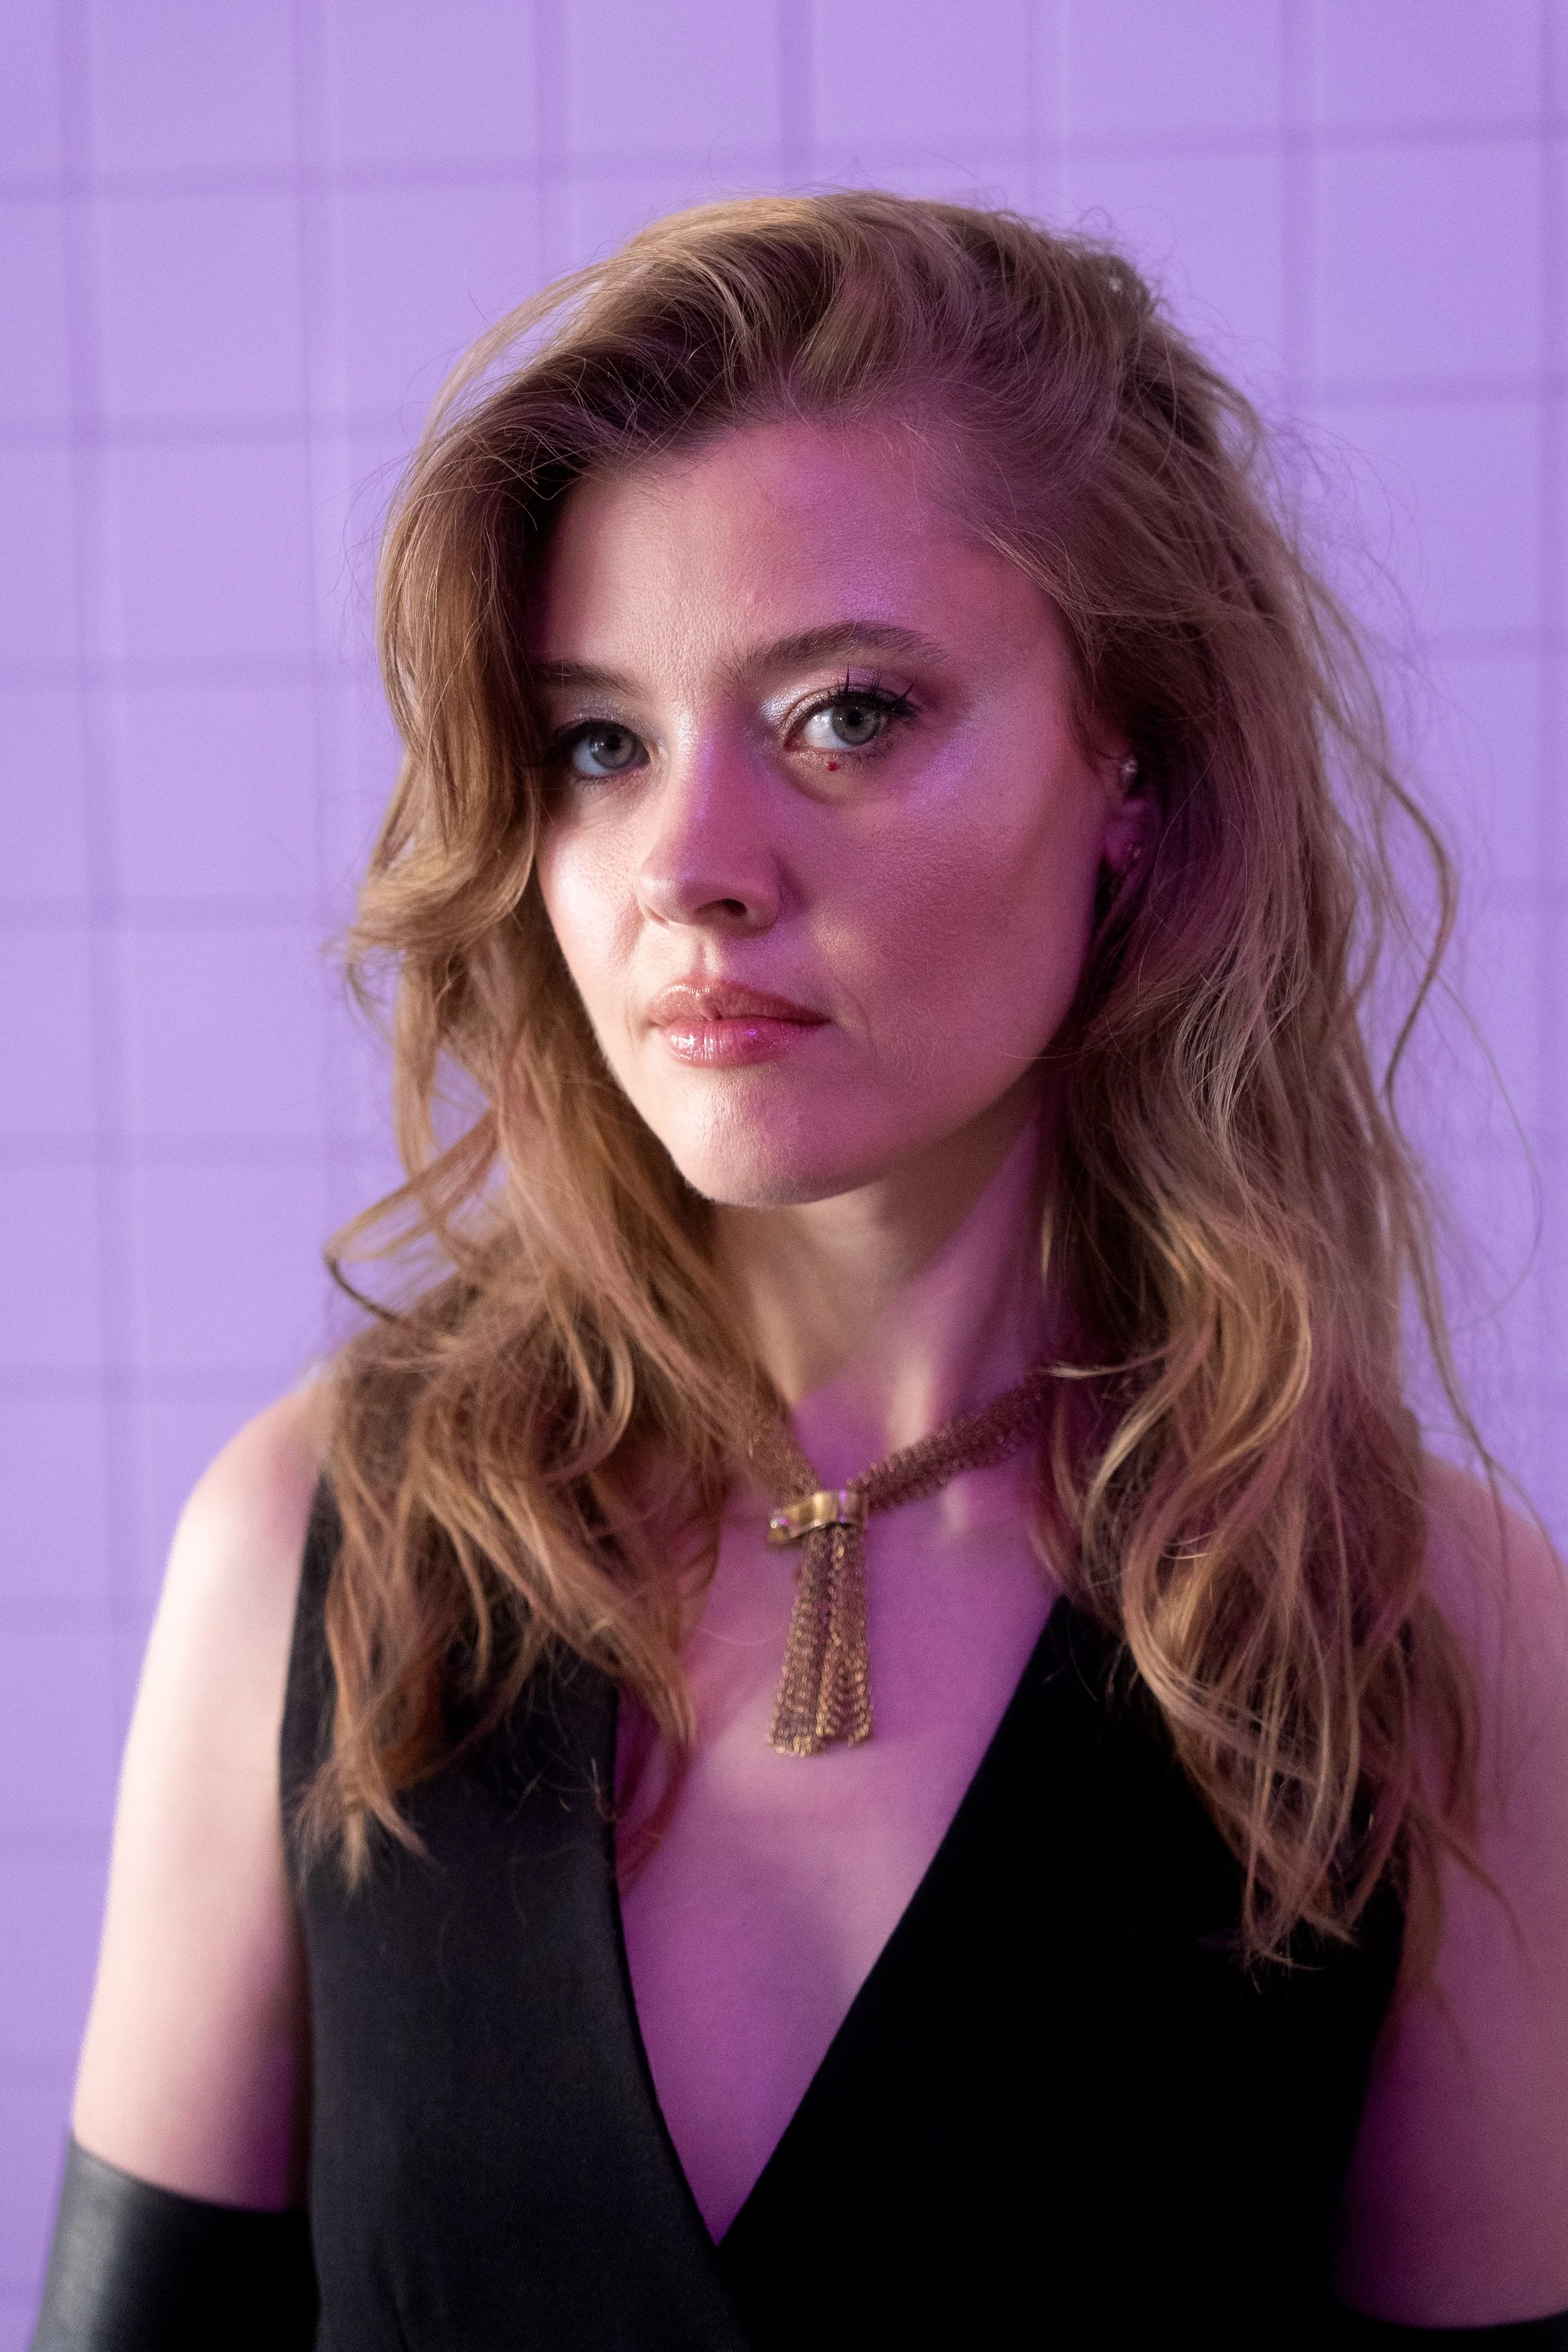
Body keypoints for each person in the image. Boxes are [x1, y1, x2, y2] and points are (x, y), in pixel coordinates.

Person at [32, 192, 1568, 2349]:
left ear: (1133, 762)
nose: (686, 869)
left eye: (844, 714)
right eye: (596, 742)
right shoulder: (312, 1553)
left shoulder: (1431, 1632)